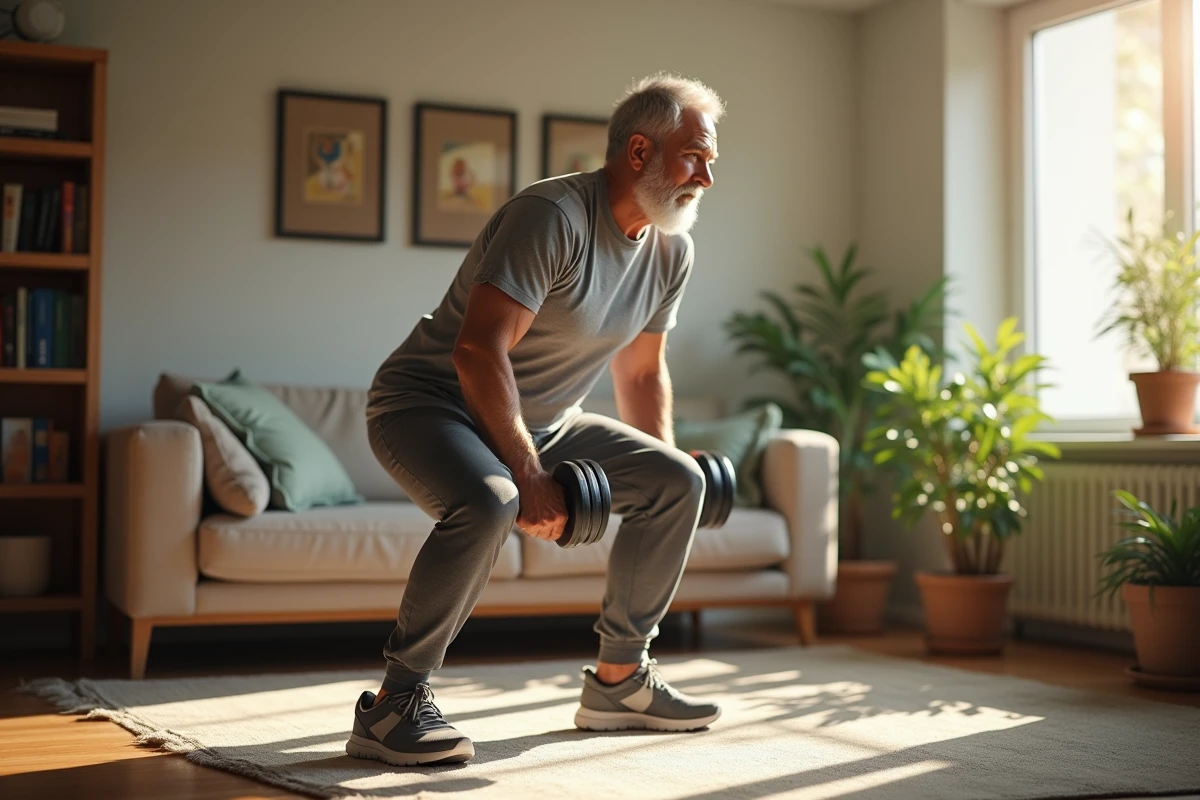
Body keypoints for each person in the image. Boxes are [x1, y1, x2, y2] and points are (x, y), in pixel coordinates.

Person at [347, 72, 725, 767]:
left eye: (710, 161)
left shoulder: (672, 251)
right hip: (429, 403)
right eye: (693, 156)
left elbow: (641, 373)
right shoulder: (551, 217)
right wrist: (525, 475)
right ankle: (393, 704)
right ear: (638, 151)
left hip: (548, 419)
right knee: (489, 502)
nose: (705, 176)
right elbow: (476, 349)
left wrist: (664, 464)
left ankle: (620, 681)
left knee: (679, 481)